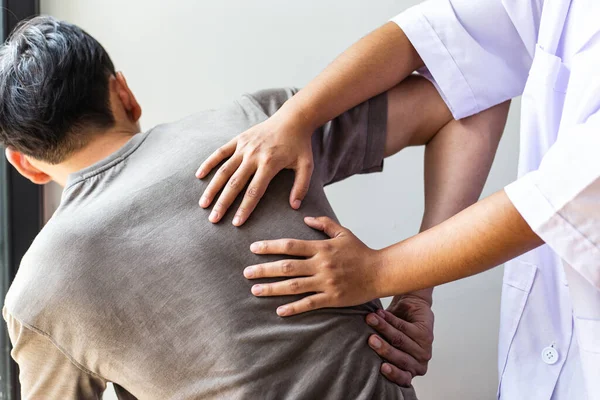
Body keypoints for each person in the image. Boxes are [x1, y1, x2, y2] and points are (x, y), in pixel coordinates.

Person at [0, 16, 509, 399]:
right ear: (125, 95)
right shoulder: (255, 130)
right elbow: (475, 97)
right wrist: (416, 289)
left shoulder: (37, 294)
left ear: (25, 165)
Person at [197, 0, 600, 399]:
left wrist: (380, 272)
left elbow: (567, 195)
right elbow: (454, 52)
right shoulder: (252, 124)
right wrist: (293, 118)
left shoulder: (233, 126)